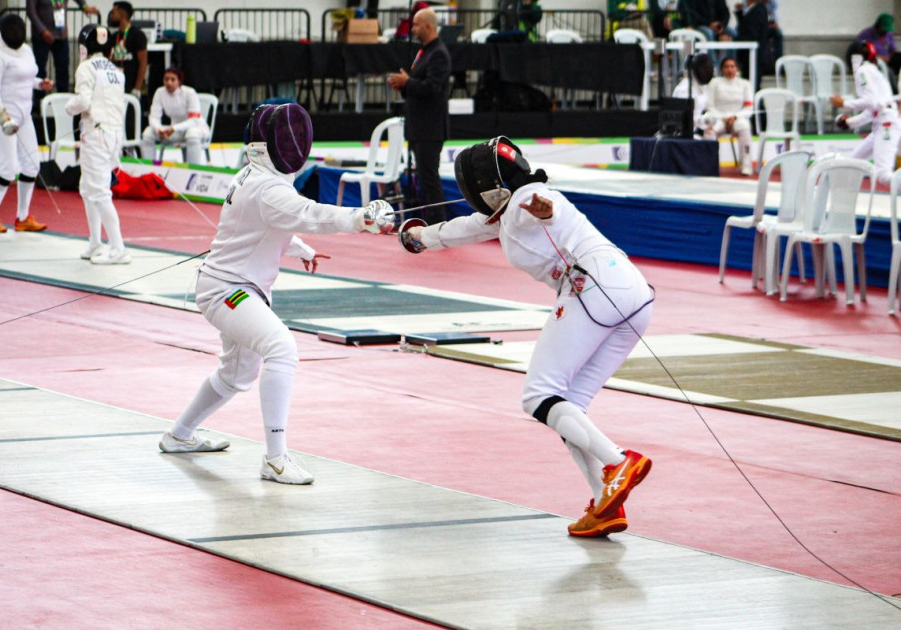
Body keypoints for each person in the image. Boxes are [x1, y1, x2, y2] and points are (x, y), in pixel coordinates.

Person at [399, 137, 654, 537]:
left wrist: (545, 212)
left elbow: (542, 208)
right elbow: (461, 229)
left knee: (538, 396)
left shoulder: (530, 198)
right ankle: (605, 502)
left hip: (593, 290)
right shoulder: (507, 214)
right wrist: (416, 238)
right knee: (567, 408)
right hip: (633, 293)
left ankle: (617, 461)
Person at [158, 103, 396, 485]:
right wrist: (361, 218)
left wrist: (301, 249)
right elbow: (310, 212)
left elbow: (275, 223)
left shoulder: (257, 175)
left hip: (229, 285)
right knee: (282, 348)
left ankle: (179, 435)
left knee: (236, 375)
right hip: (229, 291)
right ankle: (276, 459)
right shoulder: (267, 187)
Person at [0, 14, 52, 234]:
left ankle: (22, 218)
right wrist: (2, 112)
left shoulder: (26, 51)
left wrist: (40, 84)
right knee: (9, 168)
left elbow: (27, 77)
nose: (16, 34)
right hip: (0, 117)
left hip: (23, 116)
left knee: (32, 166)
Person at [65, 23, 130, 264]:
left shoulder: (86, 68)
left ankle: (119, 248)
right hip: (113, 135)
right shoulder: (116, 71)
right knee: (88, 189)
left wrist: (68, 107)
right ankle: (95, 242)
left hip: (96, 134)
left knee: (100, 193)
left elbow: (83, 101)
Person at [387, 7, 451, 224]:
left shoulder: (438, 54)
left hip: (429, 128)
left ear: (428, 26)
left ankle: (438, 222)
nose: (412, 29)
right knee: (423, 178)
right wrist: (404, 85)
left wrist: (408, 82)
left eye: (415, 25)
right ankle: (428, 221)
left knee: (430, 179)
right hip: (419, 126)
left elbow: (432, 88)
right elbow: (419, 86)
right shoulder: (425, 51)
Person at [830, 40, 901, 188]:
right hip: (883, 123)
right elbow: (874, 109)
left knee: (883, 175)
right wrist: (850, 122)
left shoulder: (863, 71)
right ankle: (841, 202)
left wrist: (844, 103)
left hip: (887, 125)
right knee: (853, 162)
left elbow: (870, 101)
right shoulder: (874, 72)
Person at [26, 0, 99, 95]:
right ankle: (39, 102)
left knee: (63, 69)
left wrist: (84, 6)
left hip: (61, 35)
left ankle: (63, 98)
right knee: (39, 69)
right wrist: (43, 31)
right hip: (41, 37)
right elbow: (31, 11)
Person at [140, 67, 209, 165]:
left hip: (197, 128)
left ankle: (194, 169)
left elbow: (194, 120)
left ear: (179, 81)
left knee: (192, 134)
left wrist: (174, 128)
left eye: (173, 79)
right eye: (166, 79)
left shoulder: (190, 93)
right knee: (148, 133)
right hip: (174, 131)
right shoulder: (160, 92)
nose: (169, 83)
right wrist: (159, 129)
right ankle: (149, 168)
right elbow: (154, 116)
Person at [704, 56, 753, 175]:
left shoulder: (745, 84)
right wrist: (723, 118)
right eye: (726, 67)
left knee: (744, 128)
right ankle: (711, 165)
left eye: (732, 66)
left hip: (737, 118)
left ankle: (746, 165)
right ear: (721, 69)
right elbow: (709, 106)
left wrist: (735, 117)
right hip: (719, 118)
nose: (730, 70)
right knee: (709, 131)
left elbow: (749, 108)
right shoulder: (714, 83)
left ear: (737, 69)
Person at [108, 1, 146, 103]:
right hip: (115, 84)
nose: (111, 15)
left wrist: (137, 88)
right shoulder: (114, 36)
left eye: (114, 12)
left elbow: (143, 62)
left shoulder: (138, 35)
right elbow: (110, 59)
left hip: (131, 84)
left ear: (122, 14)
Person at [673, 53, 716, 139]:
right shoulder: (685, 89)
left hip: (695, 130)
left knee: (711, 136)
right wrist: (703, 121)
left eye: (708, 68)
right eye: (703, 69)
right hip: (682, 134)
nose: (706, 72)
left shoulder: (702, 87)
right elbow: (681, 120)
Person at [857, 13, 901, 90]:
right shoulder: (866, 35)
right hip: (873, 61)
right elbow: (861, 51)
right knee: (888, 71)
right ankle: (894, 91)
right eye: (883, 30)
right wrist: (879, 57)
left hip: (888, 60)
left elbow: (893, 49)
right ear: (878, 26)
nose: (885, 32)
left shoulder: (888, 35)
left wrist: (890, 57)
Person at [734, 0, 768, 91]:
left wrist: (733, 39)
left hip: (755, 56)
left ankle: (756, 104)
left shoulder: (758, 10)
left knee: (753, 86)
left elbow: (752, 34)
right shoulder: (750, 10)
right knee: (749, 84)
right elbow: (745, 26)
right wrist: (740, 13)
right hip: (747, 56)